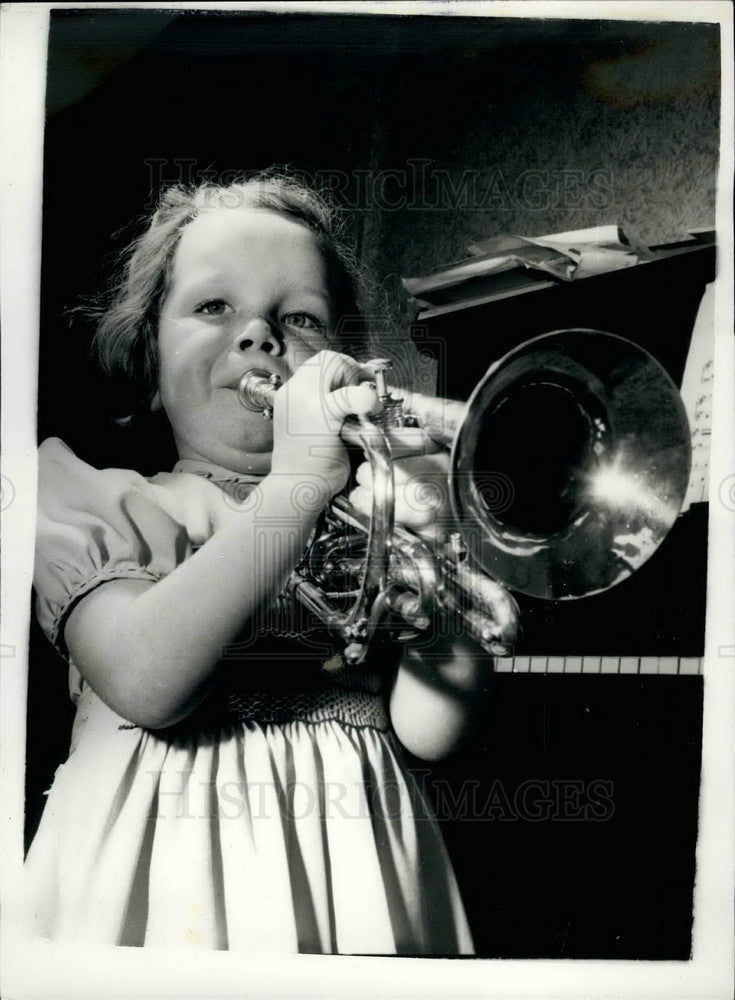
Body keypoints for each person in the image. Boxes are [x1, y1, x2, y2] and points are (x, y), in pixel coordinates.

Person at [27, 172, 488, 954]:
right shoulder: (98, 498)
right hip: (164, 881)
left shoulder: (370, 519)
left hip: (358, 872)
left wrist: (437, 544)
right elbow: (146, 682)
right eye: (213, 306)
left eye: (299, 317)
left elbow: (434, 730)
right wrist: (298, 483)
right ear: (148, 354)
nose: (259, 336)